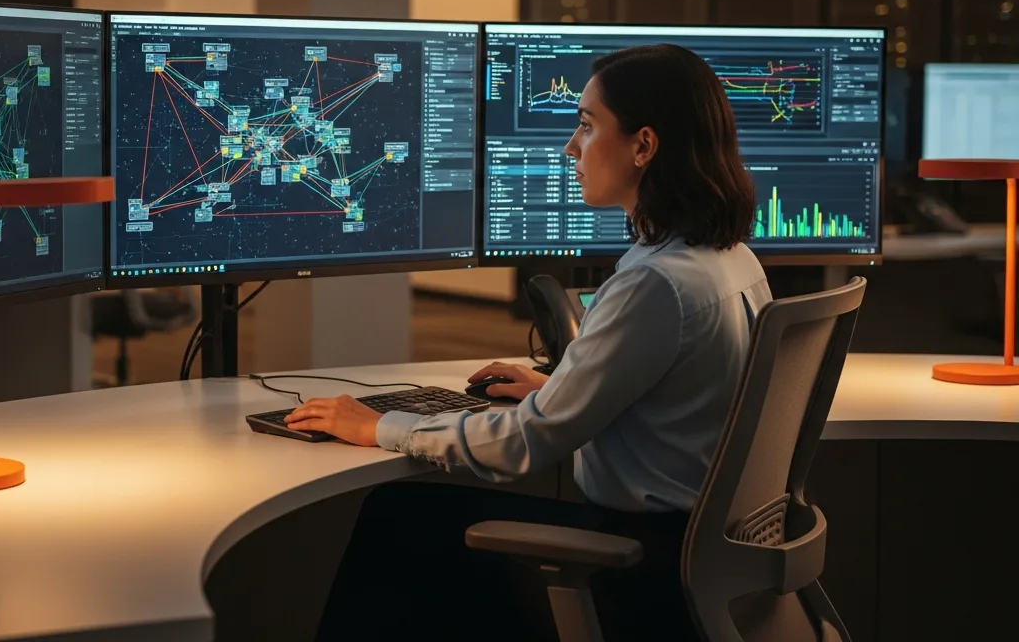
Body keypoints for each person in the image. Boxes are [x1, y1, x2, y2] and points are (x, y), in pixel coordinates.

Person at [285, 43, 771, 640]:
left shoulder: (654, 281)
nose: (572, 148)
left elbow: (525, 445)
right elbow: (686, 395)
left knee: (399, 520)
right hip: (703, 553)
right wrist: (561, 386)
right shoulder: (729, 258)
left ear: (644, 146)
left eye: (587, 127)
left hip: (639, 570)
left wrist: (376, 426)